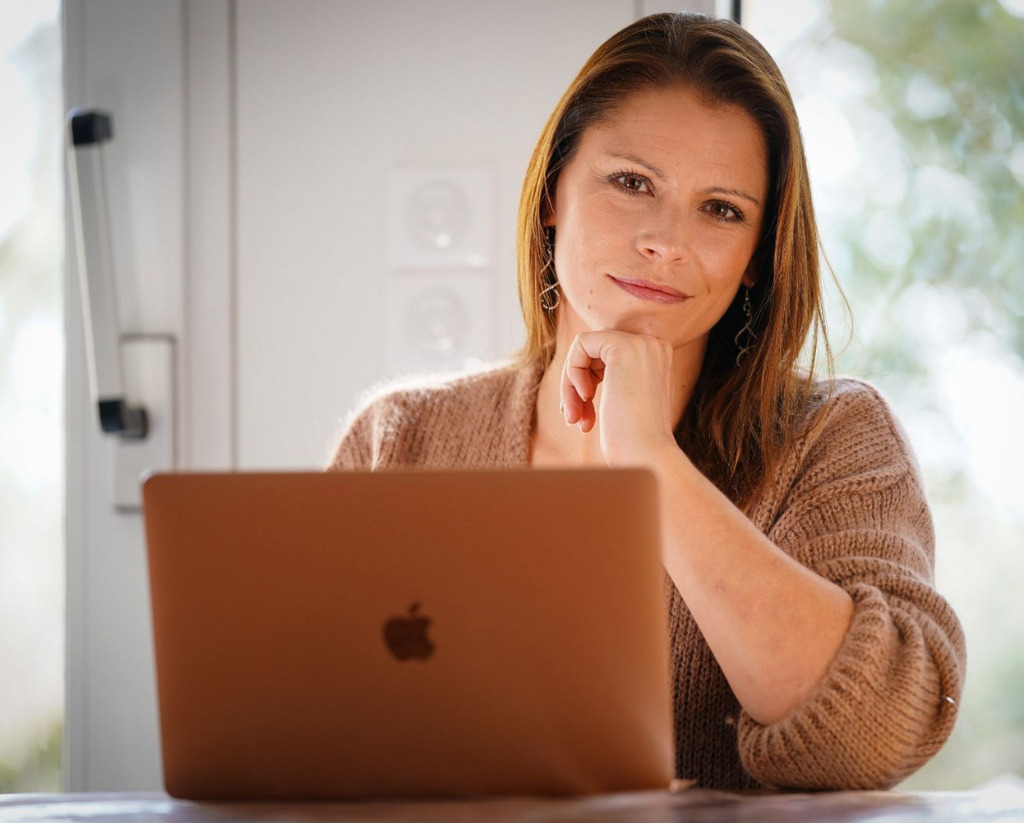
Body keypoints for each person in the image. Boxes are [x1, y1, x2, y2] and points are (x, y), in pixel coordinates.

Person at [328, 12, 965, 791]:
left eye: (721, 209)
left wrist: (650, 462)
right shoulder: (401, 438)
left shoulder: (831, 439)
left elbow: (869, 739)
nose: (667, 240)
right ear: (554, 193)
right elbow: (306, 722)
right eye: (632, 183)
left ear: (758, 259)